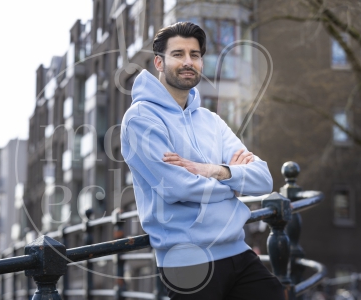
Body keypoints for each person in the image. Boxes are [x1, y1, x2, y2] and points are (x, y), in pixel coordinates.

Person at [120, 22, 285, 300]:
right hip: (187, 261)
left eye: (194, 55)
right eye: (178, 54)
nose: (188, 62)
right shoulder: (140, 119)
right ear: (159, 62)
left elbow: (264, 178)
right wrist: (234, 184)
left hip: (237, 250)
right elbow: (177, 188)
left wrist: (214, 170)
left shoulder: (211, 120)